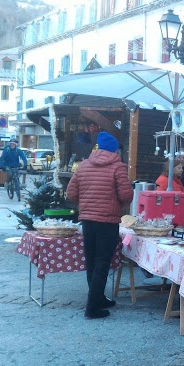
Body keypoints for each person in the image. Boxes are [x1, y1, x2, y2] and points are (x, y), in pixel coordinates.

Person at [66, 131, 134, 319]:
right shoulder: (118, 167)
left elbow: (71, 193)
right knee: (103, 262)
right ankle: (92, 307)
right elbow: (126, 196)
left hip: (87, 221)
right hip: (108, 221)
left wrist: (87, 203)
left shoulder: (83, 165)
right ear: (114, 150)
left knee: (92, 261)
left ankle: (98, 298)